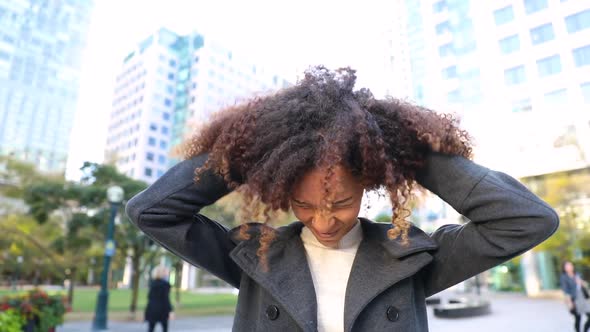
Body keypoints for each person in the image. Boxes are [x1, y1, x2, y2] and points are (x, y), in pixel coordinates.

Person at [126, 67, 559, 331]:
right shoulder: (253, 257)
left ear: (368, 184)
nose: (324, 220)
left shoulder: (413, 259)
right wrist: (242, 156)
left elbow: (526, 219)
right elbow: (151, 211)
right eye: (304, 204)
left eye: (340, 202)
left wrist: (406, 152)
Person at [561, 261, 590, 332]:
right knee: (578, 318)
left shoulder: (578, 274)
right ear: (564, 268)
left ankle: (585, 330)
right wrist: (570, 302)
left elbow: (585, 285)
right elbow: (565, 290)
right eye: (567, 266)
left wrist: (581, 282)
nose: (569, 267)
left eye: (570, 265)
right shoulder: (564, 277)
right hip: (573, 299)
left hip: (582, 298)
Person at [144, 266, 173, 332]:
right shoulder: (165, 284)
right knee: (164, 328)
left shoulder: (152, 283)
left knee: (151, 329)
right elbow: (166, 299)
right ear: (162, 273)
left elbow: (149, 297)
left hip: (151, 308)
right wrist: (170, 310)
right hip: (162, 309)